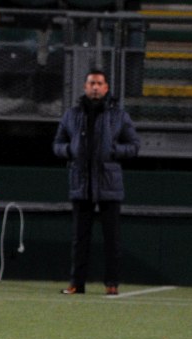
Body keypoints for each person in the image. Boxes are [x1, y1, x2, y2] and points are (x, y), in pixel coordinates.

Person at [53, 69, 140, 296]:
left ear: (106, 87)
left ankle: (112, 283)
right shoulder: (71, 115)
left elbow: (134, 146)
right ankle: (76, 283)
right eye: (91, 83)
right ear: (84, 86)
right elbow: (57, 144)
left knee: (112, 239)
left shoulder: (119, 116)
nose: (95, 87)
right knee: (79, 239)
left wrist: (113, 150)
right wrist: (70, 149)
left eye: (99, 83)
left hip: (108, 184)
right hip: (81, 184)